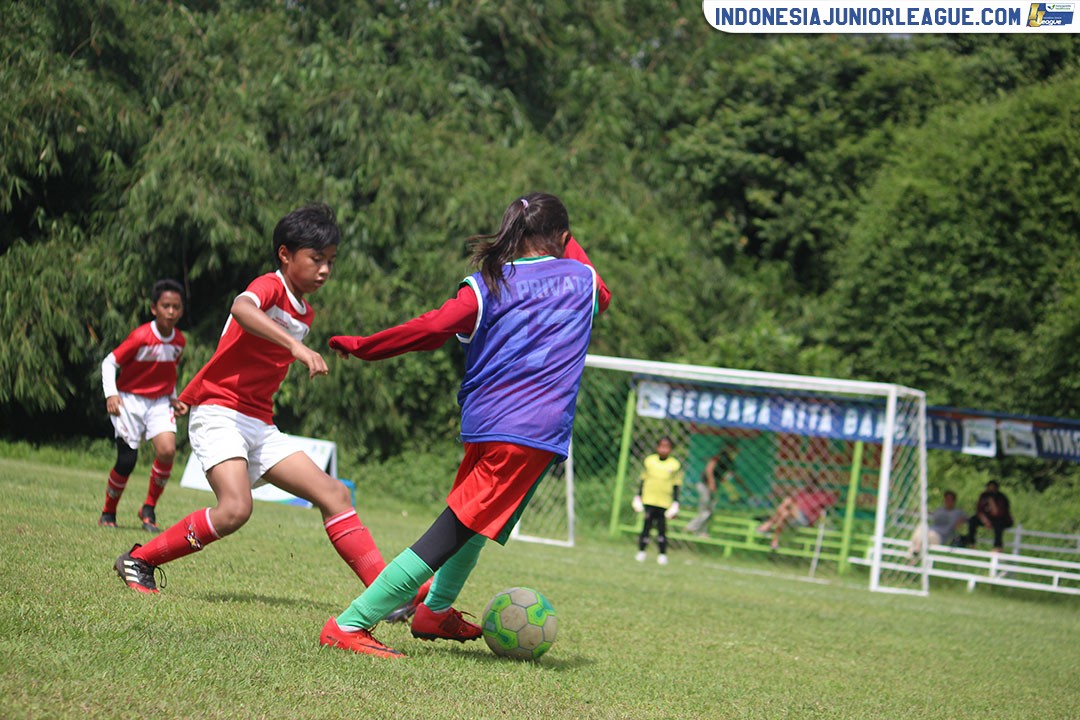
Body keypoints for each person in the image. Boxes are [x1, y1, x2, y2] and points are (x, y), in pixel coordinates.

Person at [321, 192, 610, 658]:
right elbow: (604, 295)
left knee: (476, 524)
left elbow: (432, 326)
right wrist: (567, 241)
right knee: (451, 532)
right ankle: (349, 624)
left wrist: (366, 345)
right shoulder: (583, 279)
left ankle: (435, 612)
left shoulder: (487, 283)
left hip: (490, 425)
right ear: (562, 237)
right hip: (528, 435)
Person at [112, 204, 394, 600]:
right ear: (285, 254)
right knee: (234, 510)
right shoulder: (270, 286)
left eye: (330, 261)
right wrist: (298, 347)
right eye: (316, 259)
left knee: (335, 495)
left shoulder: (305, 312)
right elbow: (241, 309)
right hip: (218, 413)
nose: (325, 270)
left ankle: (385, 594)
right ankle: (139, 559)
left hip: (259, 423)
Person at [98, 278, 188, 533]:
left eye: (176, 307)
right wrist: (111, 394)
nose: (171, 312)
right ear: (154, 308)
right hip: (130, 401)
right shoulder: (141, 337)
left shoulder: (179, 341)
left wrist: (173, 397)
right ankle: (108, 512)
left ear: (181, 310)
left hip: (159, 403)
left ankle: (148, 508)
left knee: (167, 450)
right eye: (166, 306)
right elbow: (109, 363)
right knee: (127, 460)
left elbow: (167, 373)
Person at [632, 437, 683, 565]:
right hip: (649, 499)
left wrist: (676, 502)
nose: (663, 449)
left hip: (664, 501)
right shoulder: (650, 461)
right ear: (657, 447)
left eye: (667, 447)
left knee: (662, 528)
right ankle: (641, 551)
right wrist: (638, 496)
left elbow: (676, 484)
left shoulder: (674, 464)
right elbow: (643, 480)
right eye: (661, 446)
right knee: (646, 526)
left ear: (671, 449)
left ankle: (662, 554)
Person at [755, 478, 837, 551]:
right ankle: (775, 541)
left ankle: (768, 524)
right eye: (807, 483)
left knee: (788, 501)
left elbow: (834, 498)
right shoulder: (802, 493)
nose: (808, 486)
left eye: (811, 484)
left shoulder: (820, 496)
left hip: (806, 519)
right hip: (794, 518)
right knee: (784, 514)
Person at [684, 445, 739, 536]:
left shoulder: (730, 462)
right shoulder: (719, 457)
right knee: (706, 511)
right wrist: (711, 482)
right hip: (705, 485)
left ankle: (701, 532)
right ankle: (692, 527)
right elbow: (709, 468)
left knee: (710, 511)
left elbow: (730, 476)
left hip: (713, 488)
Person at [908, 490, 968, 558]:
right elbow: (931, 513)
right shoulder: (940, 510)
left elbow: (966, 519)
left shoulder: (958, 512)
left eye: (950, 499)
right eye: (946, 499)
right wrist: (918, 511)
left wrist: (959, 522)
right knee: (921, 527)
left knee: (925, 535)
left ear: (954, 501)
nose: (947, 501)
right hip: (929, 531)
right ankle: (915, 552)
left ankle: (913, 554)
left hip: (940, 536)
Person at [959, 481, 1013, 551]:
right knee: (973, 520)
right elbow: (979, 510)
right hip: (986, 518)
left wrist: (991, 501)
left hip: (1000, 519)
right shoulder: (983, 496)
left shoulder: (1001, 498)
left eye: (992, 488)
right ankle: (971, 542)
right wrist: (985, 521)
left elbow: (997, 513)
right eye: (989, 488)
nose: (990, 490)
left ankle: (997, 547)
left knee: (999, 525)